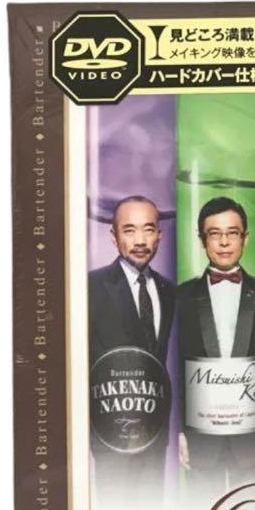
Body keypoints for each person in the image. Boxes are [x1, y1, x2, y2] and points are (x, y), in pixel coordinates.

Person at [177, 196, 255, 495]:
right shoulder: (180, 297)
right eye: (214, 234)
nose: (223, 242)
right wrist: (179, 430)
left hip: (253, 437)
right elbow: (175, 366)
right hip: (201, 437)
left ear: (245, 238)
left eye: (232, 233)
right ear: (201, 240)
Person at [88, 196, 176, 489]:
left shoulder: (168, 290)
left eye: (148, 229)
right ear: (113, 237)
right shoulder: (91, 287)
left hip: (155, 433)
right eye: (129, 230)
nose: (140, 240)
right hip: (110, 435)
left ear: (159, 235)